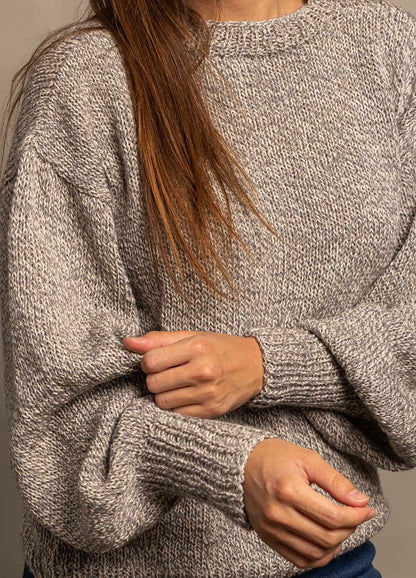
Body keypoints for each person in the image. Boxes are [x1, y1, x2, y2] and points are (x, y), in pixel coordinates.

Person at [0, 0, 415, 576]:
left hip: (333, 565)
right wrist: (229, 468)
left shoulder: (390, 48)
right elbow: (59, 422)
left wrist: (269, 364)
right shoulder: (86, 77)